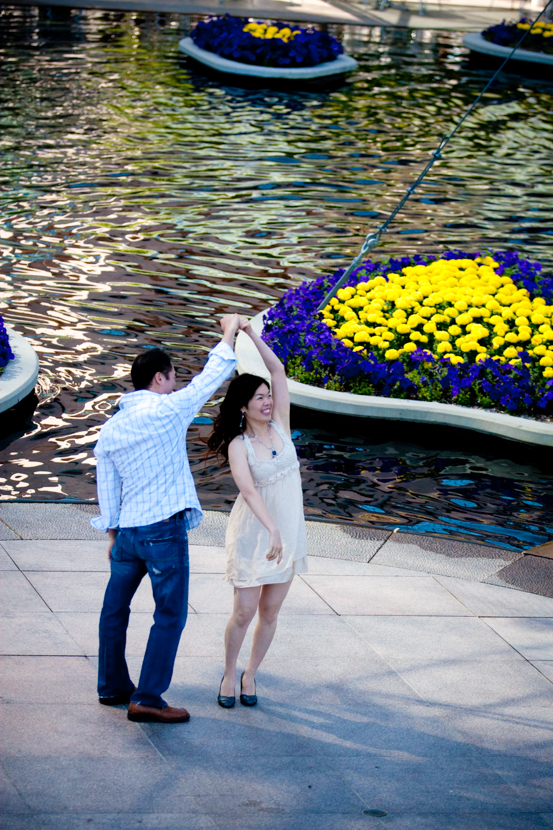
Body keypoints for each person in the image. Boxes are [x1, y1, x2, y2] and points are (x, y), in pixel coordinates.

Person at [91, 314, 240, 724]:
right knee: (169, 614)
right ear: (159, 378)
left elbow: (108, 486)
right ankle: (148, 698)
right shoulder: (167, 411)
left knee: (114, 610)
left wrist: (112, 533)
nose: (176, 384)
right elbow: (210, 380)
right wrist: (229, 332)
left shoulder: (112, 428)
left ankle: (111, 686)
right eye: (173, 377)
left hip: (128, 534)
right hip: (162, 531)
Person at [207, 317, 307, 708]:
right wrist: (273, 531)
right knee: (245, 610)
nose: (268, 401)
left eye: (269, 395)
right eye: (260, 398)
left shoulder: (281, 424)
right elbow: (248, 492)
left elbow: (278, 369)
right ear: (244, 407)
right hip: (256, 534)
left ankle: (251, 674)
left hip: (288, 531)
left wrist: (250, 334)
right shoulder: (239, 445)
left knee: (270, 611)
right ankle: (229, 673)